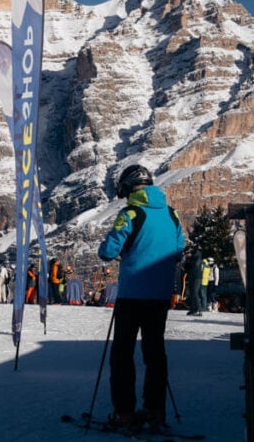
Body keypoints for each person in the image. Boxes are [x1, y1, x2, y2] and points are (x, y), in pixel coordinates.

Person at [98, 164, 185, 431]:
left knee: (123, 354)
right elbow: (179, 249)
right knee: (155, 353)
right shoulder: (172, 214)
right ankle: (155, 410)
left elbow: (108, 252)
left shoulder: (131, 214)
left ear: (128, 187)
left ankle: (124, 413)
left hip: (133, 294)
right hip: (160, 296)